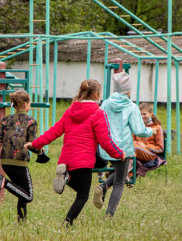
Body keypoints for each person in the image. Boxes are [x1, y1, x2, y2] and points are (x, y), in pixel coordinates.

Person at [24, 80, 125, 227]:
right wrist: (119, 154)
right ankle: (67, 223)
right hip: (83, 161)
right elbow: (105, 141)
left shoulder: (70, 111)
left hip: (66, 160)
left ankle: (67, 176)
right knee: (83, 195)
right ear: (96, 95)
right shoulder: (98, 113)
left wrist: (35, 144)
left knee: (79, 188)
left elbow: (54, 131)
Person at [92, 72, 155, 218]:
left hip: (106, 147)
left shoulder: (105, 103)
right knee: (120, 182)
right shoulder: (131, 107)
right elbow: (139, 130)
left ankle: (103, 186)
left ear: (114, 89)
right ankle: (109, 215)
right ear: (129, 90)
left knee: (119, 172)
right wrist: (150, 131)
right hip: (123, 149)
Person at [0, 91, 41, 222]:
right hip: (19, 162)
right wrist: (40, 150)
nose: (30, 105)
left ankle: (21, 222)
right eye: (30, 103)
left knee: (21, 191)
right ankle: (4, 182)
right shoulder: (31, 121)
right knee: (28, 195)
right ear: (25, 104)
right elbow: (32, 144)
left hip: (5, 162)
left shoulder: (5, 120)